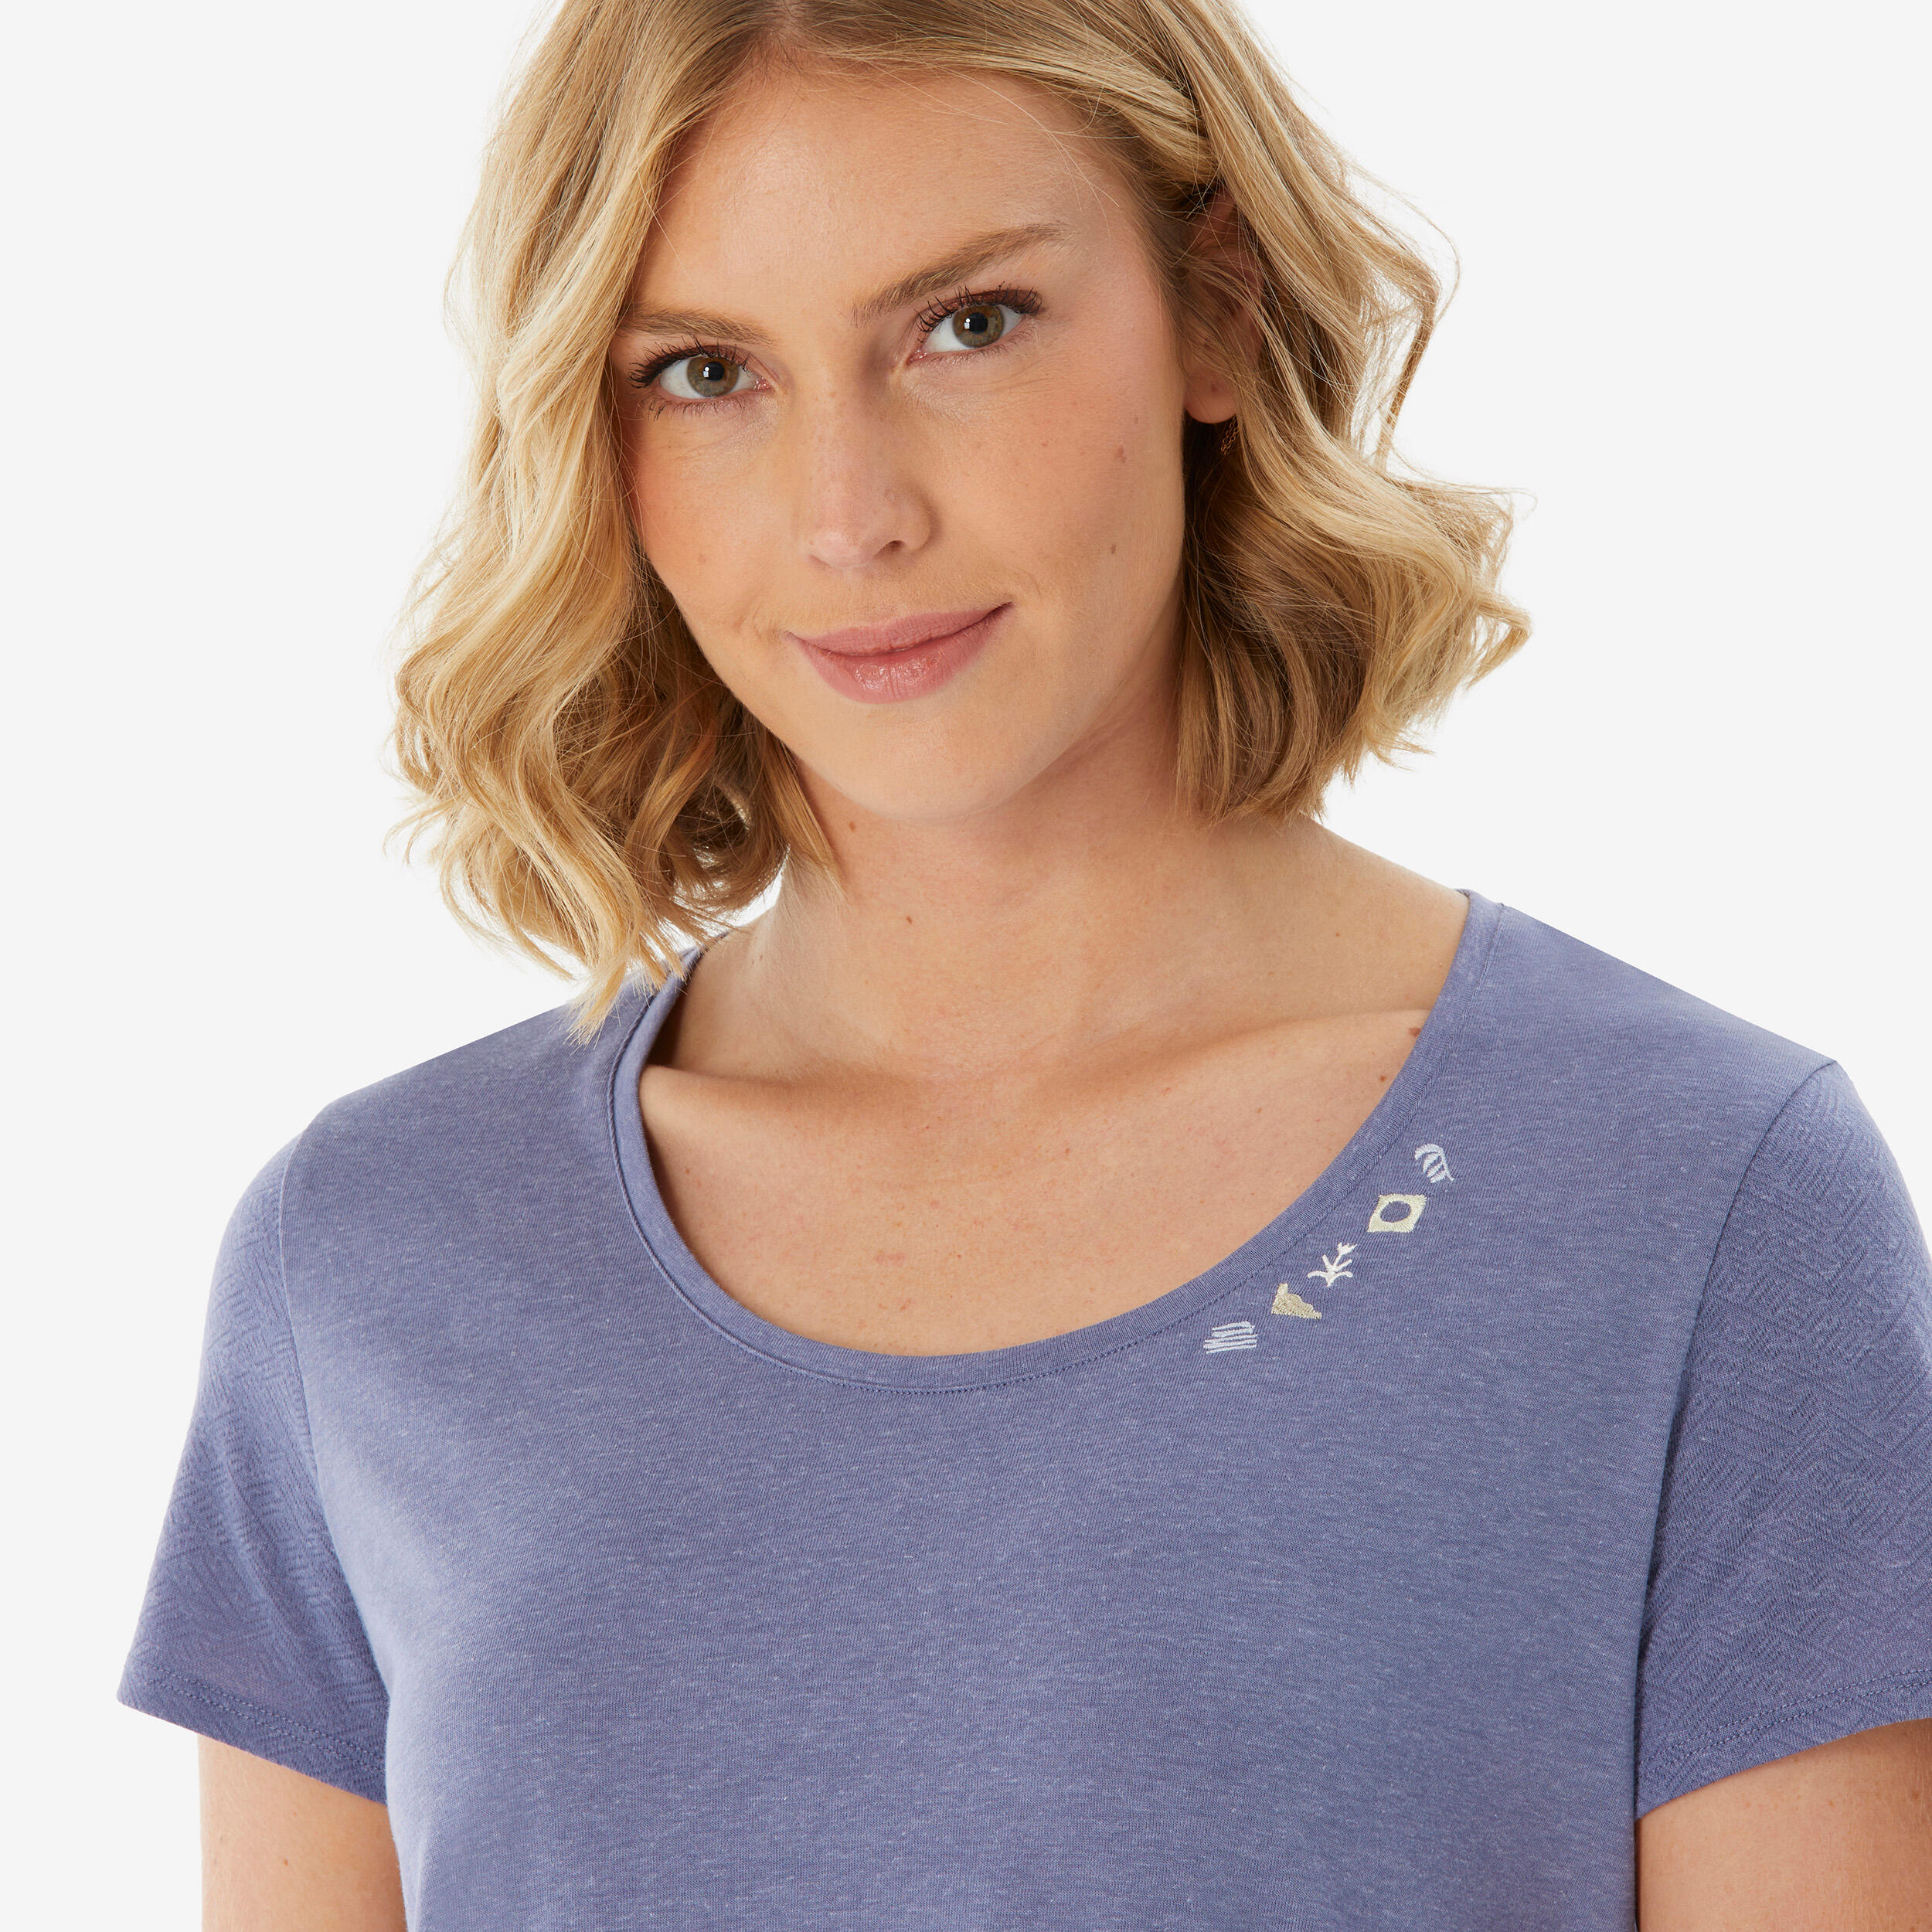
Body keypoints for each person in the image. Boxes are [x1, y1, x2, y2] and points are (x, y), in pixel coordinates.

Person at [117, 1, 1932, 1926]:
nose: (851, 516)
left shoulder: (1691, 1199)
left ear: (1214, 306)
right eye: (706, 371)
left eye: (965, 324)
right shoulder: (378, 1251)